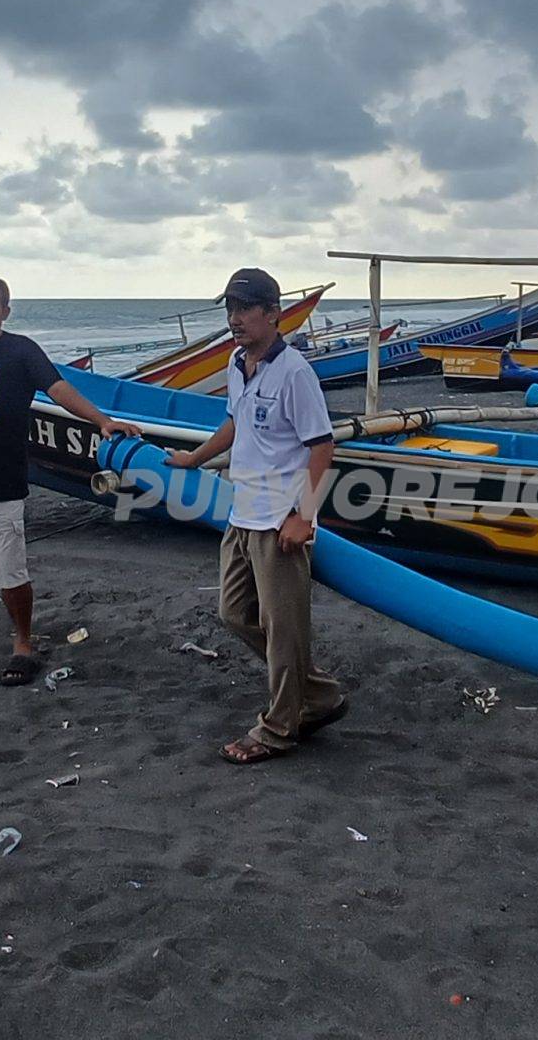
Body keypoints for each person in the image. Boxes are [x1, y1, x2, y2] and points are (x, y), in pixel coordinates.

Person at [0, 274, 138, 686]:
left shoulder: (21, 351)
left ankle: (22, 645)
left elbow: (59, 390)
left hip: (1, 483)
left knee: (10, 573)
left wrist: (103, 421)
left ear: (6, 311)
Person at [168, 267, 348, 762]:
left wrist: (303, 516)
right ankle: (318, 695)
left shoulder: (294, 373)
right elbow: (234, 421)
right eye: (230, 309)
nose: (235, 318)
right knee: (234, 613)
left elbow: (322, 446)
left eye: (246, 309)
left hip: (279, 519)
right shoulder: (236, 362)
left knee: (284, 628)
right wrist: (194, 458)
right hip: (242, 511)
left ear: (274, 313)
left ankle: (279, 728)